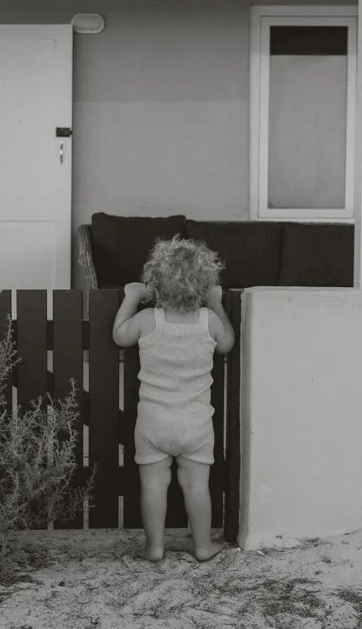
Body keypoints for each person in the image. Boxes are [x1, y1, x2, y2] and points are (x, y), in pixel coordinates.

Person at [112, 237, 235, 563]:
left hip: (154, 421)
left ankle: (154, 547)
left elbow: (120, 334)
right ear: (204, 284)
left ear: (156, 282)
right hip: (194, 423)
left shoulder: (149, 319)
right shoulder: (208, 321)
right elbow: (226, 344)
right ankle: (203, 546)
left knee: (153, 486)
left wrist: (131, 297)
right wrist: (217, 303)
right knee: (196, 488)